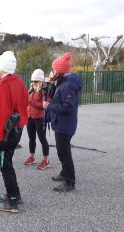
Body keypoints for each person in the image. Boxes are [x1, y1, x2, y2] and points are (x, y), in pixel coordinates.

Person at [0, 51, 28, 213]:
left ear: (3, 69)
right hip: (16, 130)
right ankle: (15, 194)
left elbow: (0, 114)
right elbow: (25, 102)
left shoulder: (4, 86)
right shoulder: (18, 82)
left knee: (5, 166)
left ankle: (12, 202)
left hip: (5, 134)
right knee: (8, 163)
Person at [43, 52, 83, 192]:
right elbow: (56, 97)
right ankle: (64, 173)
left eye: (54, 70)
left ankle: (70, 182)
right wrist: (53, 84)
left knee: (64, 153)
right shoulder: (64, 83)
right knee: (62, 152)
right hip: (61, 124)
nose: (52, 72)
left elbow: (68, 107)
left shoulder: (67, 86)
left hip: (64, 125)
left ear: (59, 71)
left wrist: (49, 106)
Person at [24, 69, 50, 170]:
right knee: (31, 138)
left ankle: (46, 160)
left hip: (39, 119)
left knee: (42, 139)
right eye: (32, 81)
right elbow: (26, 102)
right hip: (30, 118)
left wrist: (30, 101)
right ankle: (32, 157)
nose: (32, 83)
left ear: (40, 82)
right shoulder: (31, 91)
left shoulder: (44, 92)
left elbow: (43, 106)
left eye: (34, 81)